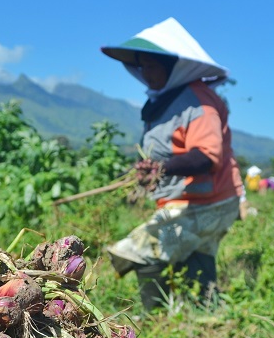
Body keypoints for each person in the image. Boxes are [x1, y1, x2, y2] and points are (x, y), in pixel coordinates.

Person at [101, 18, 243, 312]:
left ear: (174, 66)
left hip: (209, 201)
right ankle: (204, 315)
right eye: (143, 66)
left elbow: (206, 155)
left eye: (154, 65)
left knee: (142, 249)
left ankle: (155, 319)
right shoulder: (167, 101)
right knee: (197, 256)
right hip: (191, 200)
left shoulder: (198, 101)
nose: (147, 72)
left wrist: (161, 167)